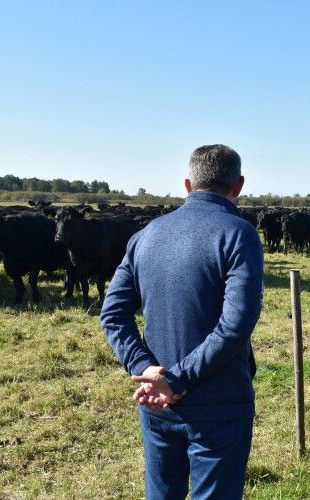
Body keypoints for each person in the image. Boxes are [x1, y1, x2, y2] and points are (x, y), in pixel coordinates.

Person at [100, 144, 264, 500]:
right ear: (238, 186)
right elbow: (236, 324)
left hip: (156, 400)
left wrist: (148, 370)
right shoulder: (238, 233)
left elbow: (113, 313)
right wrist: (177, 379)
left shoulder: (146, 235)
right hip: (219, 401)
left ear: (188, 184)